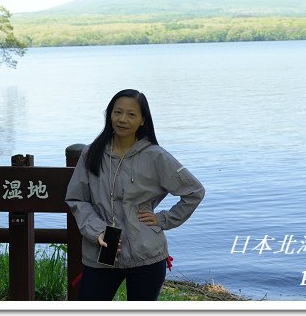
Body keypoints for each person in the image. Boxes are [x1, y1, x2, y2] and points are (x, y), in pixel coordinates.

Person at [65, 89, 205, 301]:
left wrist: (162, 219)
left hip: (147, 254)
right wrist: (97, 231)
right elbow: (77, 199)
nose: (122, 119)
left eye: (131, 114)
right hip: (101, 251)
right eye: (117, 112)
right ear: (109, 114)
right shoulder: (92, 153)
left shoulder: (155, 156)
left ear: (142, 120)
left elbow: (194, 191)